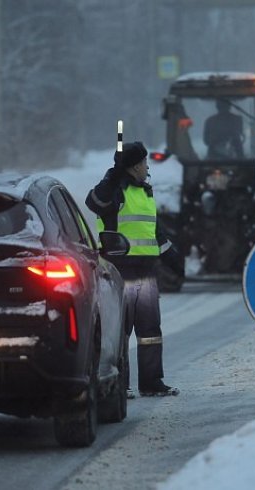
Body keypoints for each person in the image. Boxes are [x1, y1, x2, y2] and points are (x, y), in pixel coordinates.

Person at [85, 141, 182, 397]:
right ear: (136, 165)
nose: (147, 167)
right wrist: (112, 175)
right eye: (144, 162)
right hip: (120, 270)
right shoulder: (115, 189)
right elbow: (94, 202)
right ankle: (119, 384)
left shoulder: (145, 192)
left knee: (150, 331)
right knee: (119, 330)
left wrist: (171, 255)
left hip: (146, 271)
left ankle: (151, 383)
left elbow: (153, 231)